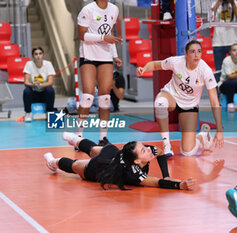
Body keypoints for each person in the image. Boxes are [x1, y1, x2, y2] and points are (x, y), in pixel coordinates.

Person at [136, 38, 224, 157]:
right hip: (171, 95)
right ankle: (167, 145)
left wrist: (219, 130)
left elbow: (214, 101)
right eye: (192, 51)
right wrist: (144, 69)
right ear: (186, 53)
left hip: (189, 105)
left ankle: (202, 136)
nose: (196, 55)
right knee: (160, 103)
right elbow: (154, 64)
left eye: (199, 51)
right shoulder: (176, 62)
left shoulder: (205, 71)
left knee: (188, 152)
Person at [43, 132, 195, 191]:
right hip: (109, 161)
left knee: (86, 158)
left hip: (109, 162)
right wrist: (175, 182)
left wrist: (171, 178)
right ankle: (67, 148)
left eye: (145, 148)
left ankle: (61, 153)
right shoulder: (134, 166)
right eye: (144, 149)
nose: (149, 150)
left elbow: (160, 155)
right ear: (135, 160)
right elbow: (157, 178)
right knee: (87, 157)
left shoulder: (137, 165)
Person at [77, 0, 123, 145]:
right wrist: (103, 38)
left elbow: (110, 33)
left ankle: (103, 138)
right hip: (88, 56)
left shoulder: (114, 9)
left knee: (105, 98)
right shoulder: (87, 10)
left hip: (105, 56)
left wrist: (114, 55)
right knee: (88, 96)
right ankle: (78, 138)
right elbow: (82, 35)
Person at [211, 0, 237, 84]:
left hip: (234, 42)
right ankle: (219, 94)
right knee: (219, 71)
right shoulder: (215, 3)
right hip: (218, 42)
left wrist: (232, 3)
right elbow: (211, 16)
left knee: (236, 70)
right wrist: (219, 2)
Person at [23, 47, 56, 122]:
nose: (38, 56)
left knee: (50, 89)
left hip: (44, 93)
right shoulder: (29, 64)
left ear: (43, 55)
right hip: (34, 92)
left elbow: (50, 82)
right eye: (36, 54)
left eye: (40, 54)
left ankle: (49, 112)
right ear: (33, 56)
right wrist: (33, 85)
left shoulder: (48, 64)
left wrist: (41, 85)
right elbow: (26, 82)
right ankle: (28, 113)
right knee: (26, 90)